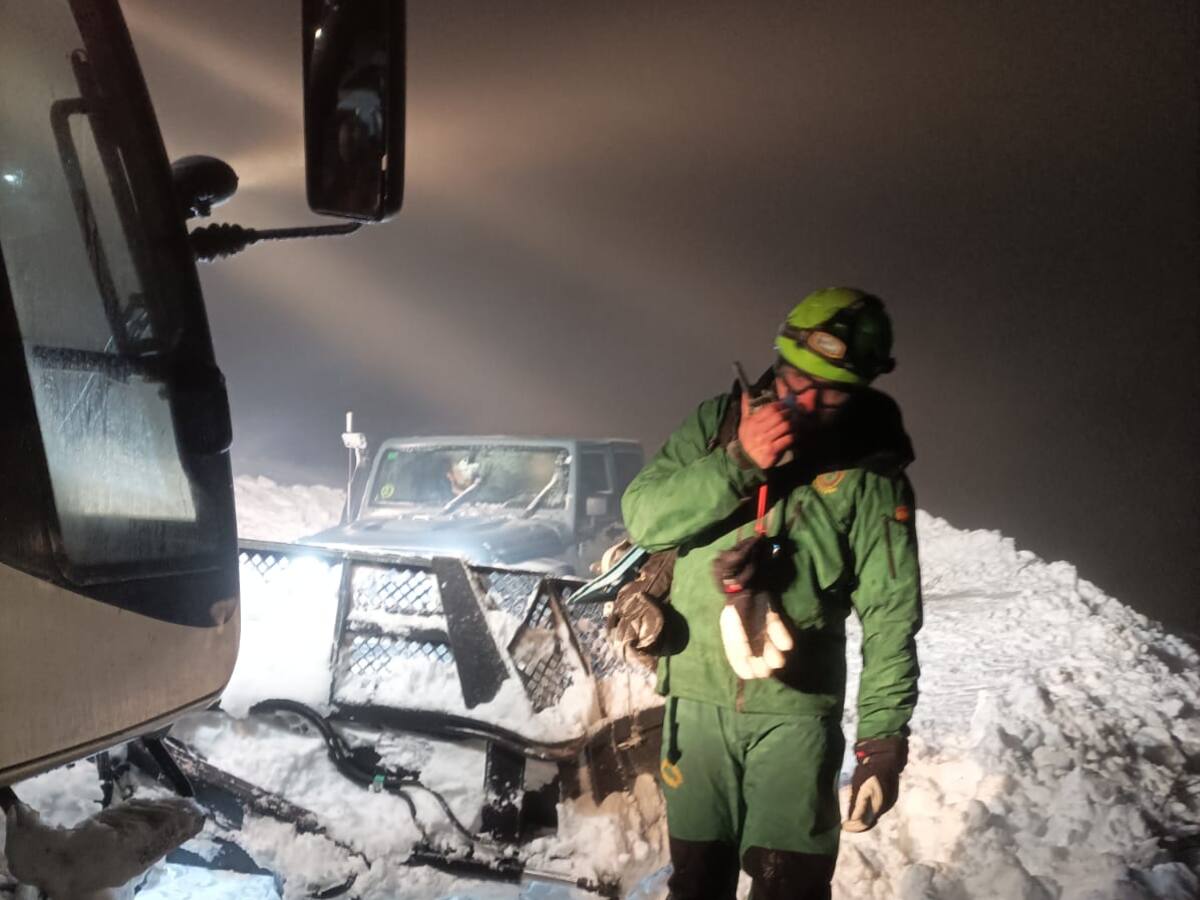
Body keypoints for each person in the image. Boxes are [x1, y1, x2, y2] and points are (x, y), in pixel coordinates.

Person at [620, 287, 922, 900]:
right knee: (696, 883)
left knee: (791, 887)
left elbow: (891, 615)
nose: (805, 401)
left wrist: (882, 742)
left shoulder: (870, 473)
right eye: (795, 379)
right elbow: (645, 518)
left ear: (862, 390)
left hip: (797, 717)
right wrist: (738, 461)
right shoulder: (717, 424)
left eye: (830, 392)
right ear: (777, 359)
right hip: (697, 706)